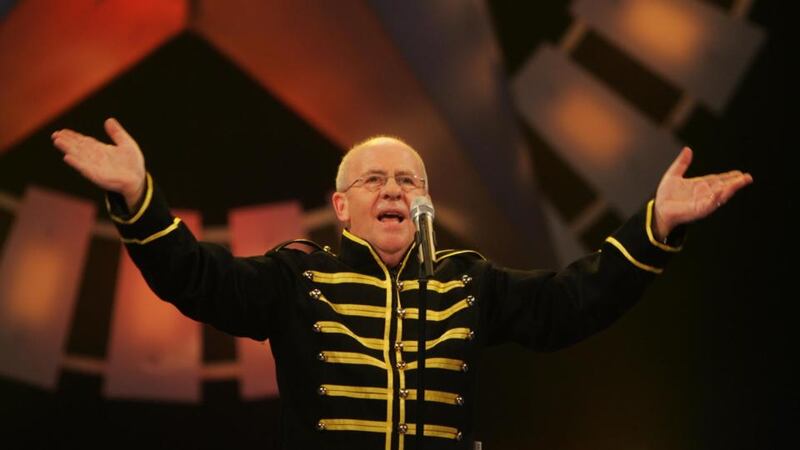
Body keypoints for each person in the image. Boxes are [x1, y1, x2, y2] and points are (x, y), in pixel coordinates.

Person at [52, 118, 752, 450]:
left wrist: (656, 224)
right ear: (343, 207)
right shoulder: (301, 278)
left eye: (409, 180)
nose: (393, 190)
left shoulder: (466, 282)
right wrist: (139, 195)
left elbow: (571, 303)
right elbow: (196, 278)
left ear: (425, 203)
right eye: (374, 180)